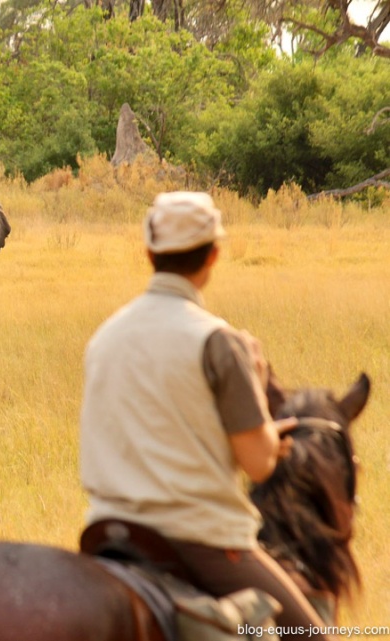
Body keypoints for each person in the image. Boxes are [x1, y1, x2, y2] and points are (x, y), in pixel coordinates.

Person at [79, 192, 334, 640]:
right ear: (214, 254)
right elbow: (257, 462)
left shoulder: (105, 335)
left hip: (105, 529)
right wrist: (265, 419)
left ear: (148, 253)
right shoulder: (218, 341)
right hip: (199, 539)